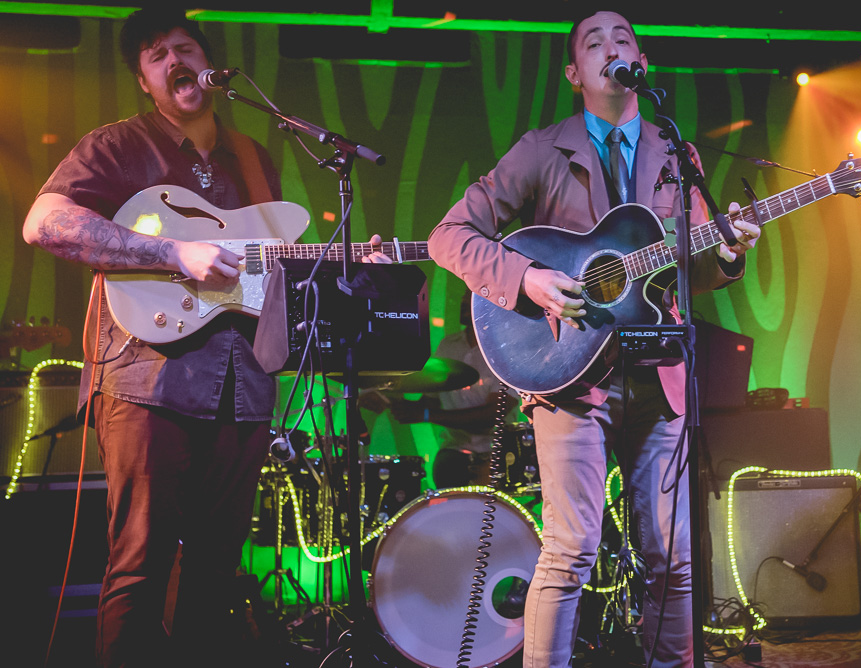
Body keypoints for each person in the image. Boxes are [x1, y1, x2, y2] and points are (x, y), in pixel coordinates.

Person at [20, 9, 386, 667]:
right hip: (145, 378)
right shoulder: (120, 145)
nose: (173, 59)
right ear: (146, 81)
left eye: (184, 47)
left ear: (213, 70)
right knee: (140, 564)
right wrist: (173, 255)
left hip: (243, 386)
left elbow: (262, 272)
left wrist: (347, 257)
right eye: (157, 54)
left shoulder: (254, 157)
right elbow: (44, 222)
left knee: (217, 570)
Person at [427, 10, 761, 668]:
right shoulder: (541, 148)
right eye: (593, 40)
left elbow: (692, 264)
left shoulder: (676, 152)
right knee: (571, 548)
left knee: (673, 554)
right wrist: (527, 278)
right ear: (574, 73)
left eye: (624, 37)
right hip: (569, 373)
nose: (612, 45)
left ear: (641, 62)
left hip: (658, 371)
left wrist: (725, 254)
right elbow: (449, 237)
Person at [362, 290, 523, 489]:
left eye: (471, 298)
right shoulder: (449, 345)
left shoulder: (504, 350)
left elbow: (492, 415)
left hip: (495, 452)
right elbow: (431, 401)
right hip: (453, 452)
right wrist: (390, 401)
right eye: (464, 297)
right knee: (446, 471)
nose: (464, 302)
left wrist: (427, 415)